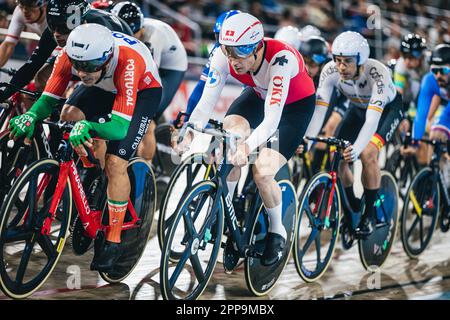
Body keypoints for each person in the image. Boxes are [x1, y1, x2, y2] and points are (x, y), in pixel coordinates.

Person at [9, 23, 162, 271]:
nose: (82, 73)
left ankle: (112, 239)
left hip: (142, 92)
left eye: (89, 66)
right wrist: (31, 116)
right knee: (69, 115)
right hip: (103, 86)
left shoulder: (127, 62)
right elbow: (48, 100)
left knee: (115, 164)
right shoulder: (69, 56)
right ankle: (92, 175)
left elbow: (119, 129)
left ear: (107, 57)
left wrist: (89, 127)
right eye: (78, 66)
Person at [175, 12, 316, 266]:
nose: (233, 61)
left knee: (262, 171)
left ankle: (277, 232)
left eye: (239, 53)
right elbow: (207, 103)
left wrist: (249, 147)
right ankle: (224, 210)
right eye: (228, 52)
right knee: (230, 137)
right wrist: (190, 129)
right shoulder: (222, 55)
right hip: (258, 95)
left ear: (257, 48)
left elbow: (272, 121)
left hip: (294, 109)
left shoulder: (280, 60)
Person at [304, 31, 403, 237]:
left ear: (361, 61)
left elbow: (372, 120)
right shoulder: (330, 72)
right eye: (338, 61)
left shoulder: (378, 73)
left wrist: (357, 149)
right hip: (357, 110)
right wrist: (307, 141)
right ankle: (354, 208)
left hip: (386, 112)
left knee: (367, 154)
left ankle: (368, 216)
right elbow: (320, 111)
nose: (341, 67)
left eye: (347, 62)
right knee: (337, 156)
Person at [0, 0, 133, 101]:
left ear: (81, 23)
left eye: (63, 28)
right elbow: (33, 65)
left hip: (117, 60)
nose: (57, 34)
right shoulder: (56, 29)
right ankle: (57, 125)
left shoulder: (97, 29)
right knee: (42, 76)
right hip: (84, 54)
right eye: (53, 26)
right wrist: (6, 92)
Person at [111, 1, 187, 161]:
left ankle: (146, 167)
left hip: (171, 68)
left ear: (142, 29)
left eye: (135, 34)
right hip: (153, 62)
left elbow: (148, 77)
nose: (130, 38)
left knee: (148, 118)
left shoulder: (153, 37)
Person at [0, 0, 47, 67]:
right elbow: (8, 44)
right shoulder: (19, 11)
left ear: (44, 5)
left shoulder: (52, 14)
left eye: (30, 6)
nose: (25, 11)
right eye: (22, 6)